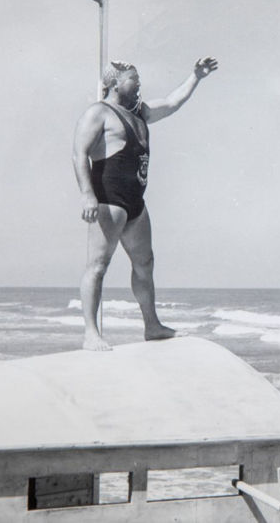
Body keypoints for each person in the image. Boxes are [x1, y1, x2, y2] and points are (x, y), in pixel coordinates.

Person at [72, 57, 218, 350]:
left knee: (145, 264)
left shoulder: (139, 112)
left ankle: (152, 325)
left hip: (136, 202)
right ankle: (91, 333)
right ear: (114, 83)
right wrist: (87, 194)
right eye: (132, 79)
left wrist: (196, 77)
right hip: (108, 200)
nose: (138, 84)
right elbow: (79, 154)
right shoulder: (99, 112)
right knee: (98, 266)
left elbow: (172, 102)